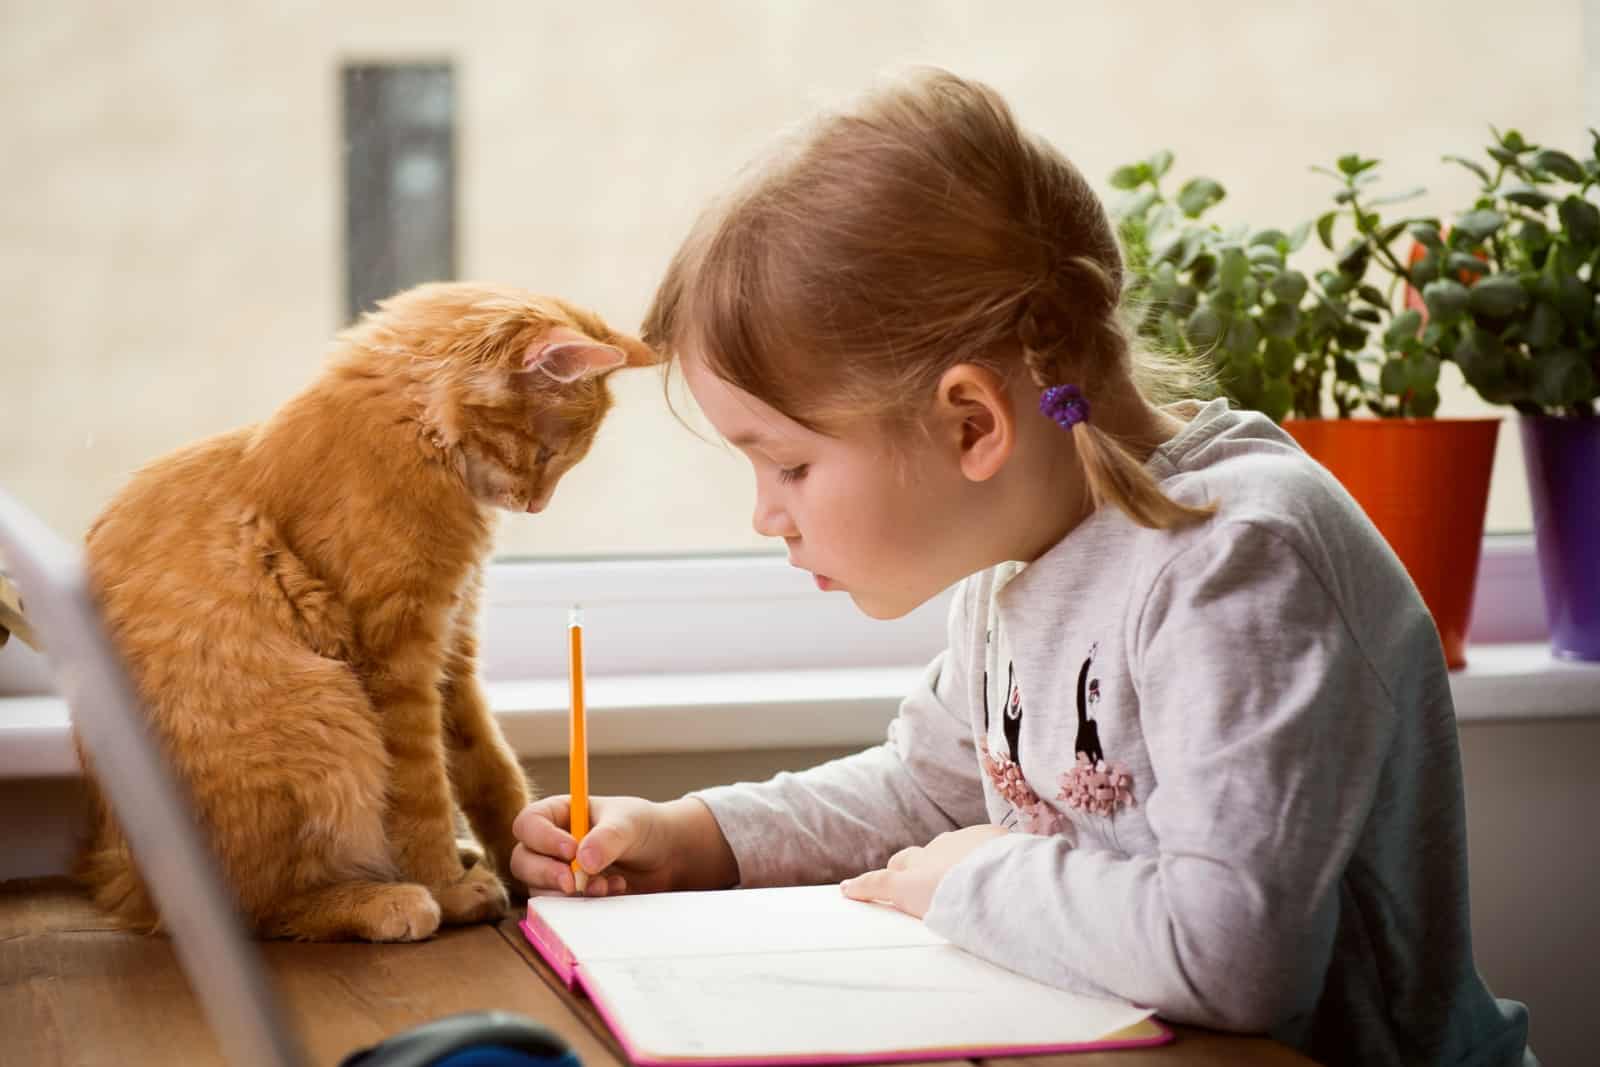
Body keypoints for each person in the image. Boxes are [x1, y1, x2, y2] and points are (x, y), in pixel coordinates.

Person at [509, 69, 1534, 1066]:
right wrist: (694, 837)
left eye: (788, 462)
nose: (765, 513)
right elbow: (929, 791)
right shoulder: (1024, 560)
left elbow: (1234, 955)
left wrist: (976, 876)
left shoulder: (1240, 562)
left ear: (971, 422)